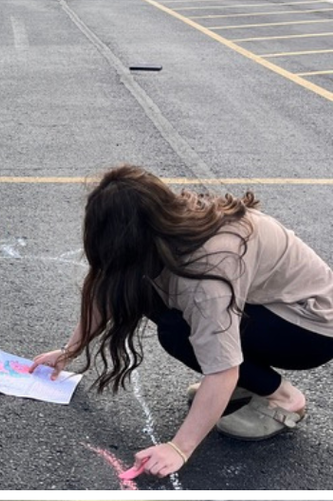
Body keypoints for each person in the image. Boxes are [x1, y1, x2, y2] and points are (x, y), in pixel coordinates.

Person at [31, 165, 333, 477]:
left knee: (178, 331)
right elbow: (108, 282)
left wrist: (179, 448)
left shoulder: (207, 273)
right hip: (270, 308)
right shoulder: (163, 227)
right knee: (153, 300)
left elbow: (222, 368)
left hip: (312, 329)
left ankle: (284, 399)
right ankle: (249, 384)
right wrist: (69, 351)